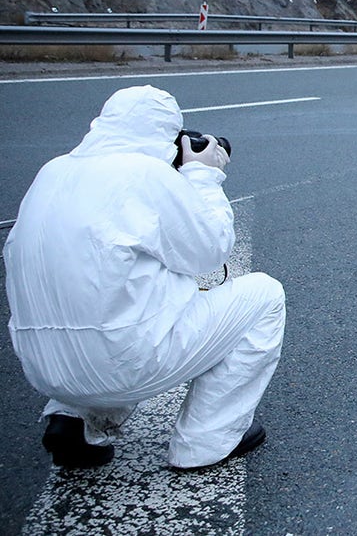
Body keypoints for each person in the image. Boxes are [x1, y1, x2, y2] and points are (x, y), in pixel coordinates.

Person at [4, 85, 286, 470]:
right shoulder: (146, 175)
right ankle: (204, 442)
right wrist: (202, 175)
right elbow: (211, 249)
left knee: (111, 296)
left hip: (42, 369)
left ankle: (74, 418)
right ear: (167, 136)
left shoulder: (51, 173)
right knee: (266, 297)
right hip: (119, 365)